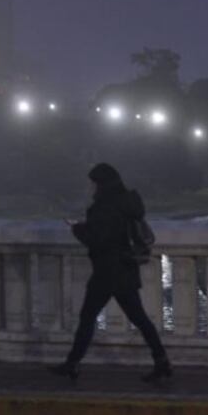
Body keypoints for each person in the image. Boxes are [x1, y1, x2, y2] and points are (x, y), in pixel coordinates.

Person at [50, 163, 172, 382]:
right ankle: (162, 361)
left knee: (87, 318)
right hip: (125, 268)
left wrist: (77, 228)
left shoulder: (104, 206)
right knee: (140, 319)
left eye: (93, 183)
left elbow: (98, 240)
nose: (90, 188)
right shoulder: (127, 202)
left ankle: (72, 364)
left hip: (107, 272)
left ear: (100, 183)